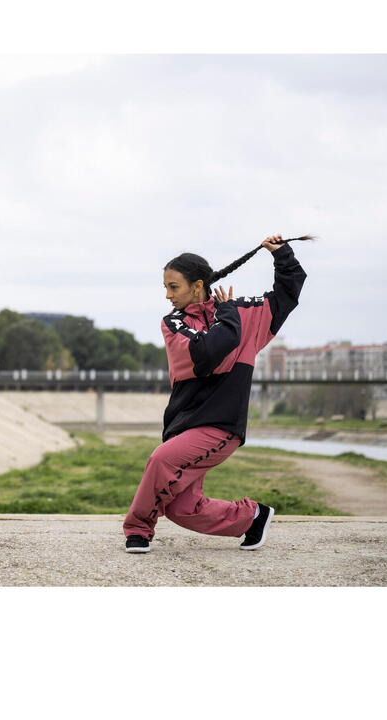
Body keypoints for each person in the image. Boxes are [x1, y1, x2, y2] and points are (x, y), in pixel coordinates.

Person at [123, 233, 309, 554]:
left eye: (174, 287)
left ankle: (137, 529)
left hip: (220, 425)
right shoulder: (174, 324)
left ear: (198, 286)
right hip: (184, 426)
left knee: (160, 459)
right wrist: (228, 316)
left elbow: (287, 293)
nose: (167, 295)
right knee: (182, 509)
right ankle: (252, 517)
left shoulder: (240, 314)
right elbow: (206, 353)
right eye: (165, 287)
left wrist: (282, 255)